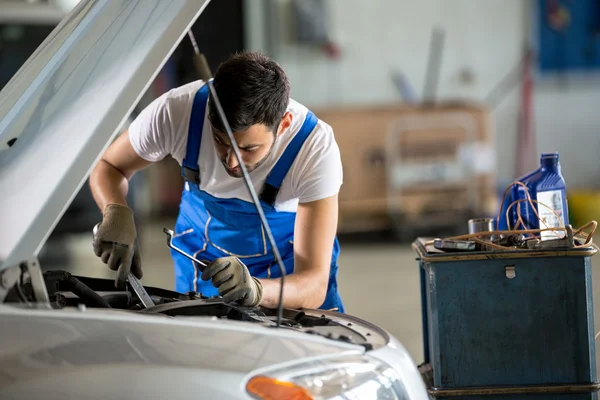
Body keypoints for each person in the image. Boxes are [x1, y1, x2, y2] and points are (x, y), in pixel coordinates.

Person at [89, 51, 345, 312]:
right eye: (221, 142)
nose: (232, 162)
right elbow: (109, 165)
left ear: (283, 125)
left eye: (249, 148)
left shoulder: (314, 147)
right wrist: (115, 210)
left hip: (286, 279)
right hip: (203, 265)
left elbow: (313, 284)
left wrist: (258, 289)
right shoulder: (178, 111)